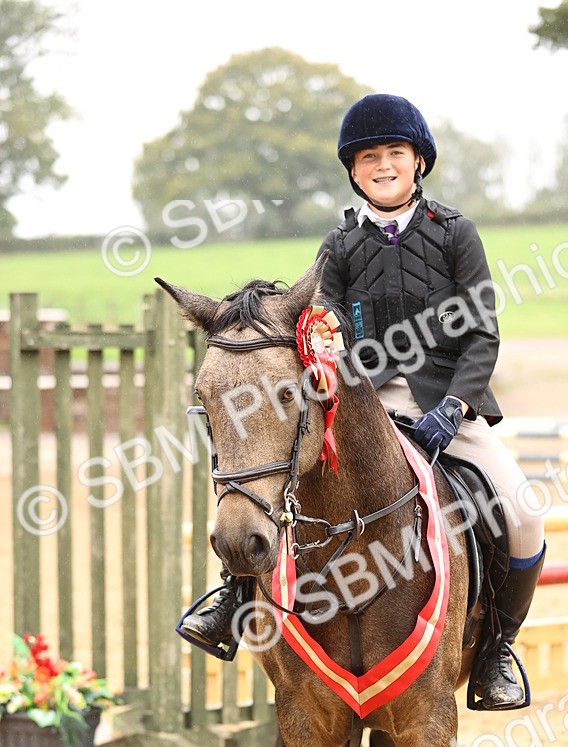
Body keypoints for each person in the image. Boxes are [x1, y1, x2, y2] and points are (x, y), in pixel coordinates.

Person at [183, 93, 546, 709]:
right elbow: (320, 326)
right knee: (274, 485)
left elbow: (483, 332)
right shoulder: (340, 245)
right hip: (361, 407)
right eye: (369, 156)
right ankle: (235, 595)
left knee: (523, 507)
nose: (383, 165)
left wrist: (453, 408)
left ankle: (495, 652)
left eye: (395, 153)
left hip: (446, 407)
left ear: (418, 162)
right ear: (353, 170)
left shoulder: (456, 233)